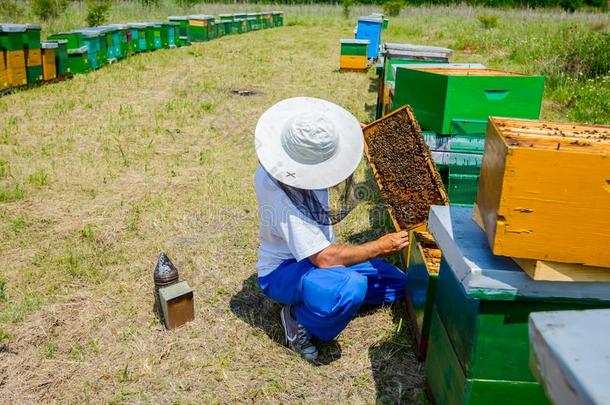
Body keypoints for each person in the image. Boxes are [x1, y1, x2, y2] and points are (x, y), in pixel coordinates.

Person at [254, 97, 409, 362]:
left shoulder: (304, 144)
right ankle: (297, 318)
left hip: (318, 262)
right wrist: (380, 247)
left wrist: (352, 135)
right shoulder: (281, 192)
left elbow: (318, 124)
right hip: (284, 271)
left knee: (398, 284)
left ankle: (326, 297)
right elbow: (324, 258)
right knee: (351, 288)